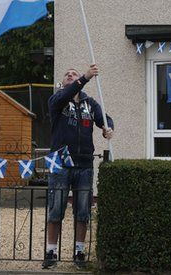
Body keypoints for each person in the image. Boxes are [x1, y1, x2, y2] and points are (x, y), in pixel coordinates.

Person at [42, 64, 114, 269]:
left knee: (82, 212)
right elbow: (67, 92)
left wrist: (108, 128)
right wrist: (85, 76)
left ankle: (79, 252)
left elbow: (104, 118)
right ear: (64, 83)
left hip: (84, 165)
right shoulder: (56, 101)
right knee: (56, 209)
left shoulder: (90, 104)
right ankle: (50, 252)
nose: (70, 75)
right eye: (67, 75)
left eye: (73, 73)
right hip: (60, 164)